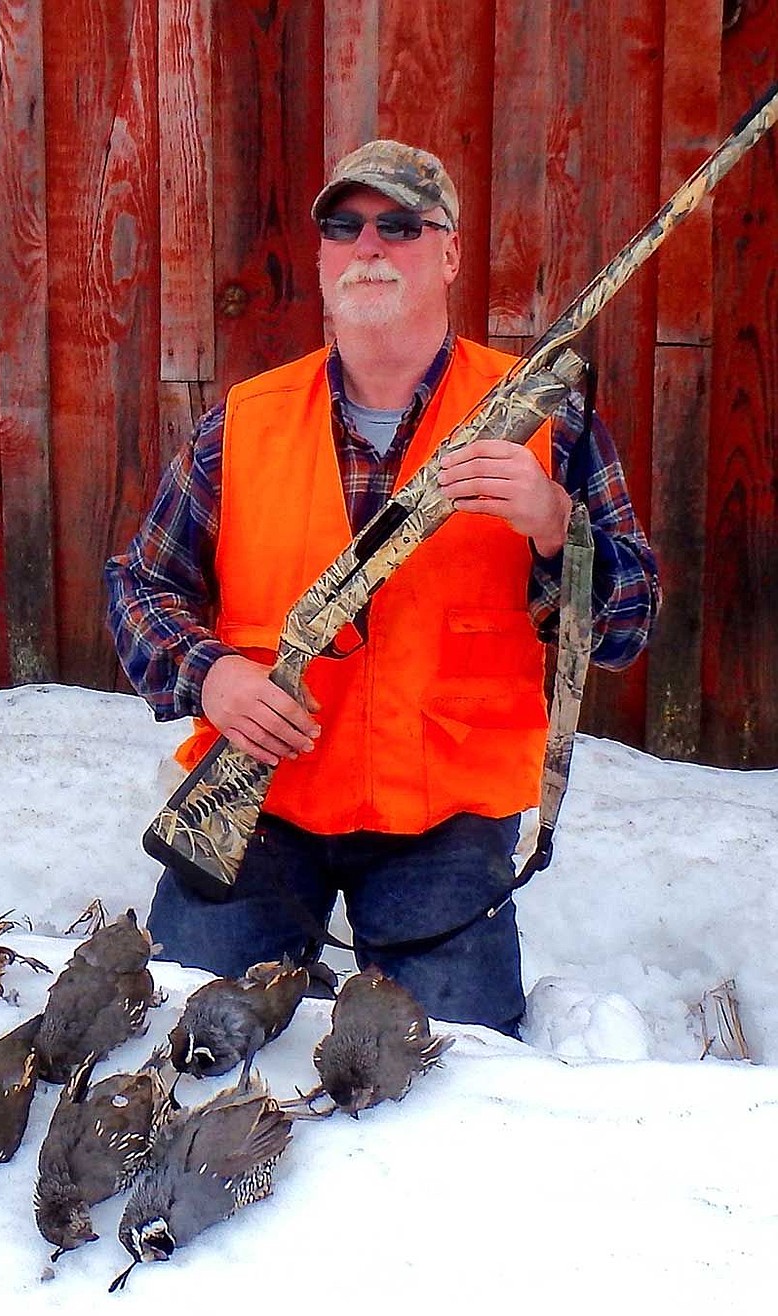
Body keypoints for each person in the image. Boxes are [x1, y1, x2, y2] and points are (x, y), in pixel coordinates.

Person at [104, 140, 660, 1036]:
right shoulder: (243, 422)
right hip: (268, 801)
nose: (369, 244)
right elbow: (141, 586)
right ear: (322, 258)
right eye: (345, 225)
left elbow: (631, 620)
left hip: (445, 818)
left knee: (448, 1078)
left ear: (448, 255)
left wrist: (558, 525)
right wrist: (211, 676)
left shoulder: (545, 418)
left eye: (400, 225)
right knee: (188, 1040)